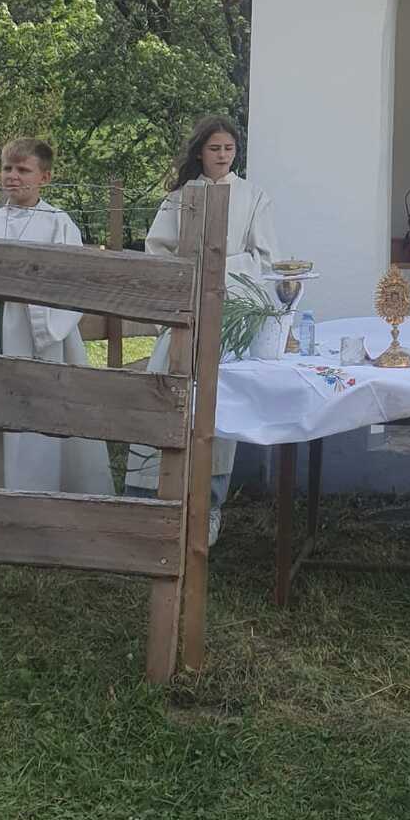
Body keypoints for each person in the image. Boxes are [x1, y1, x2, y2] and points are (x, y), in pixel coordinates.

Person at [0, 139, 114, 495]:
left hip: (34, 337)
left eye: (23, 170)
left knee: (35, 413)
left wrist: (31, 299)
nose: (12, 176)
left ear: (45, 177)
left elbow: (74, 283)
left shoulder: (59, 225)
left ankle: (38, 493)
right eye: (7, 168)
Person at [124, 115, 278, 545]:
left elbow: (265, 258)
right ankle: (146, 498)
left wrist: (215, 269)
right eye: (215, 148)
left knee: (215, 408)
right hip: (183, 314)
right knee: (164, 395)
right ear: (200, 152)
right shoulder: (179, 198)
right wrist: (189, 276)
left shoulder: (253, 197)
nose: (223, 156)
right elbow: (158, 251)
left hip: (227, 318)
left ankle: (208, 506)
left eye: (229, 148)